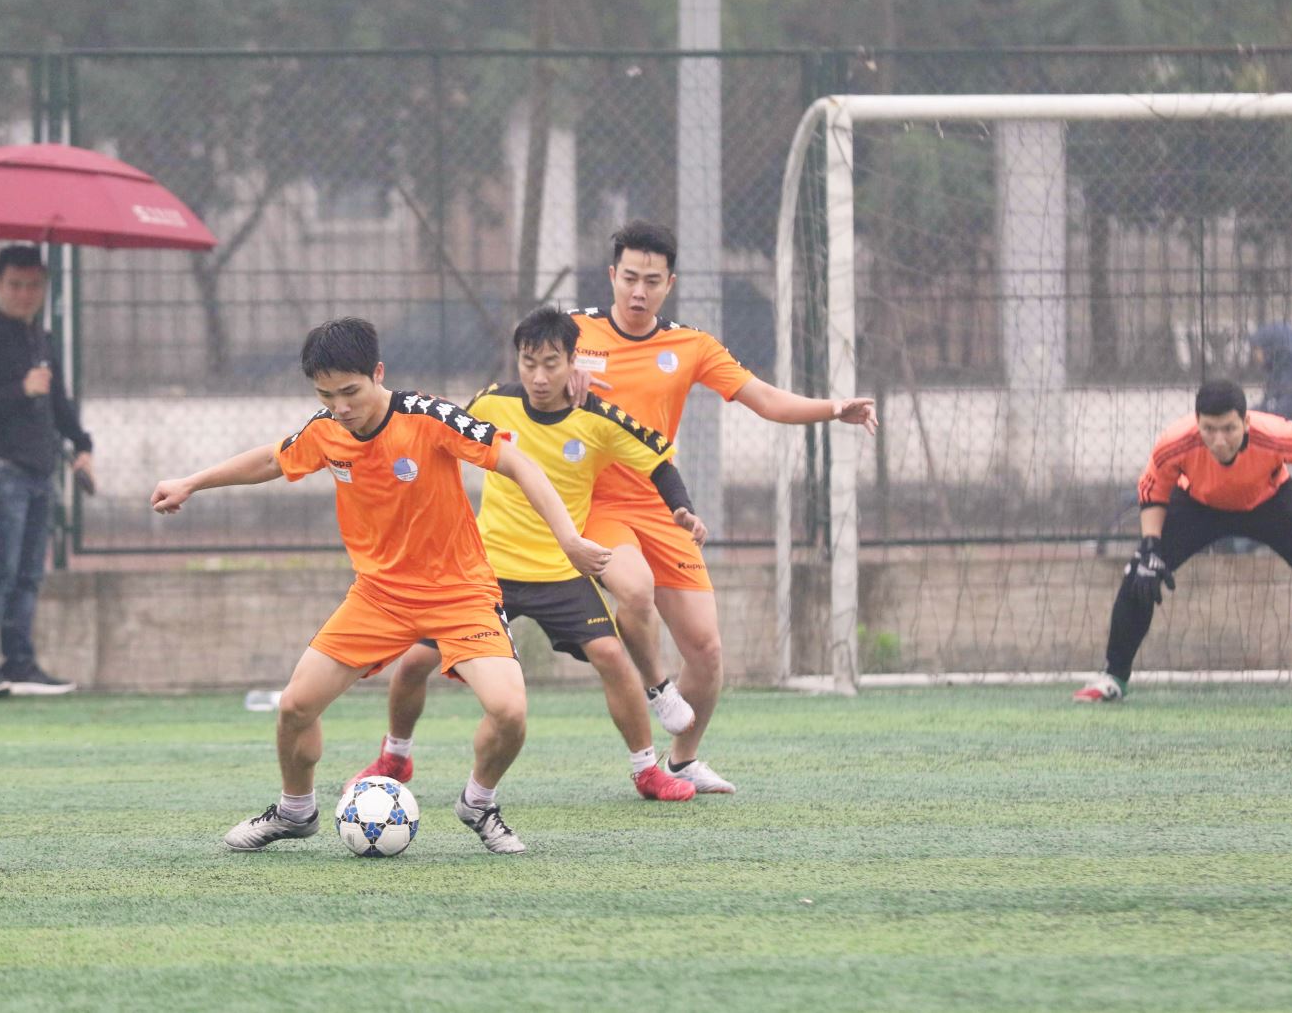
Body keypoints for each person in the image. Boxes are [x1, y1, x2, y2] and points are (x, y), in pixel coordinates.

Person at [150, 317, 610, 854]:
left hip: (460, 595)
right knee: (295, 707)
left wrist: (569, 540)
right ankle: (295, 811)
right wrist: (191, 483)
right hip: (378, 597)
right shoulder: (327, 430)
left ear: (378, 374)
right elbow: (273, 459)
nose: (341, 407)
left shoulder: (429, 417)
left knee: (509, 712)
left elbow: (518, 463)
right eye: (326, 395)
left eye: (350, 391)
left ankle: (478, 803)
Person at [567, 219, 878, 793]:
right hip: (596, 504)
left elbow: (765, 399)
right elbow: (525, 376)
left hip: (663, 507)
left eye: (651, 281)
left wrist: (835, 409)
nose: (638, 292)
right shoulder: (572, 334)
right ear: (611, 276)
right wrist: (557, 383)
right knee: (635, 590)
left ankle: (681, 761)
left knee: (707, 652)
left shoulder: (691, 346)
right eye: (629, 278)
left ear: (670, 284)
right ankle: (658, 691)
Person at [353, 307, 704, 801]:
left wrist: (682, 508)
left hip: (560, 569)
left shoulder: (598, 418)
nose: (539, 377)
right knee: (413, 662)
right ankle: (396, 756)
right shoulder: (492, 403)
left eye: (551, 364)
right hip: (484, 570)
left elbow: (659, 461)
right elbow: (438, 436)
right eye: (529, 363)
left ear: (573, 363)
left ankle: (646, 770)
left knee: (611, 656)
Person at [1076, 379, 1292, 702]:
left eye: (1229, 428)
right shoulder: (1175, 442)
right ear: (1197, 423)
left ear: (1246, 422)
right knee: (1141, 573)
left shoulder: (1275, 434)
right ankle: (1113, 677)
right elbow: (1153, 490)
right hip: (1198, 505)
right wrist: (1151, 546)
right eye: (1209, 429)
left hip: (1270, 503)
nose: (1219, 440)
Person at [0, 245, 94, 697]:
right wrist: (22, 388)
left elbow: (59, 402)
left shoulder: (42, 340)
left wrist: (82, 444)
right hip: (1, 472)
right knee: (1, 569)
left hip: (41, 472)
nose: (24, 294)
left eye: (33, 285)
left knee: (30, 573)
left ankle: (20, 664)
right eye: (15, 285)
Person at [1250, 322, 1292, 423]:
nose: (1256, 354)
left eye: (1258, 349)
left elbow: (1283, 413)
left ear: (1271, 349)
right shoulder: (1280, 371)